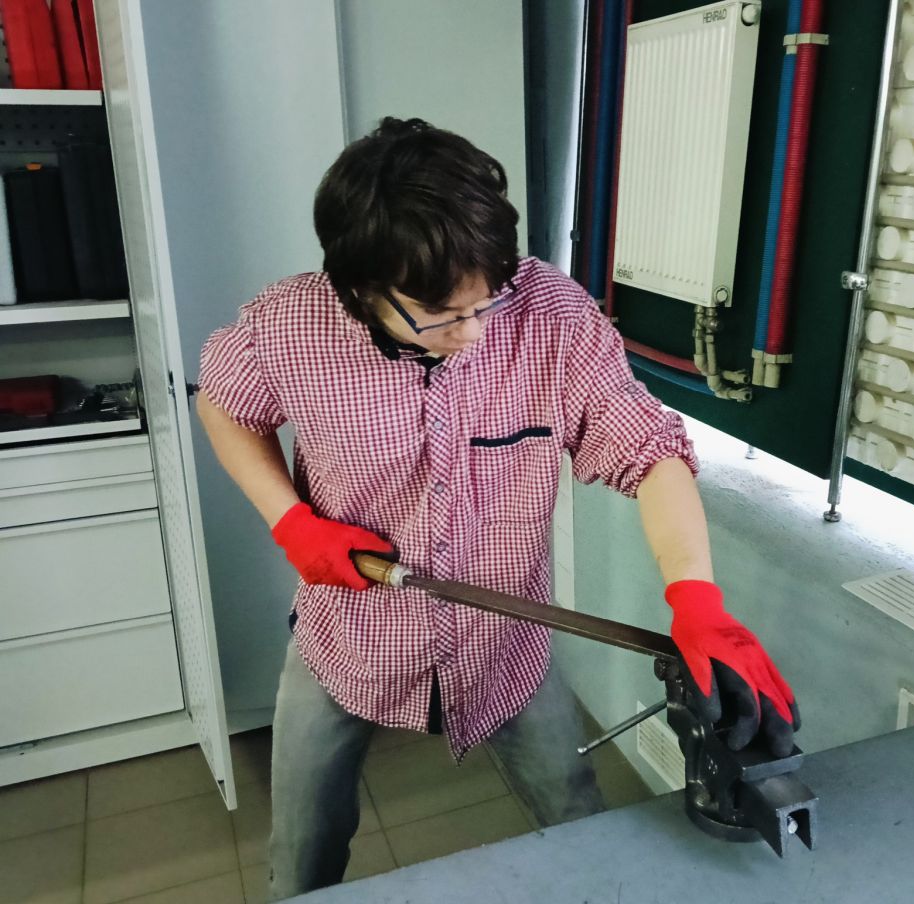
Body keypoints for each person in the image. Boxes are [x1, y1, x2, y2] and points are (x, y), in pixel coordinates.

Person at [196, 117, 800, 900]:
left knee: (577, 822)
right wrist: (290, 520)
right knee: (303, 854)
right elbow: (224, 404)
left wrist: (695, 597)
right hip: (348, 638)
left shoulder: (550, 314)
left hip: (506, 641)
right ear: (359, 290)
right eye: (442, 316)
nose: (474, 335)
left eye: (486, 303)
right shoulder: (289, 325)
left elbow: (651, 451)